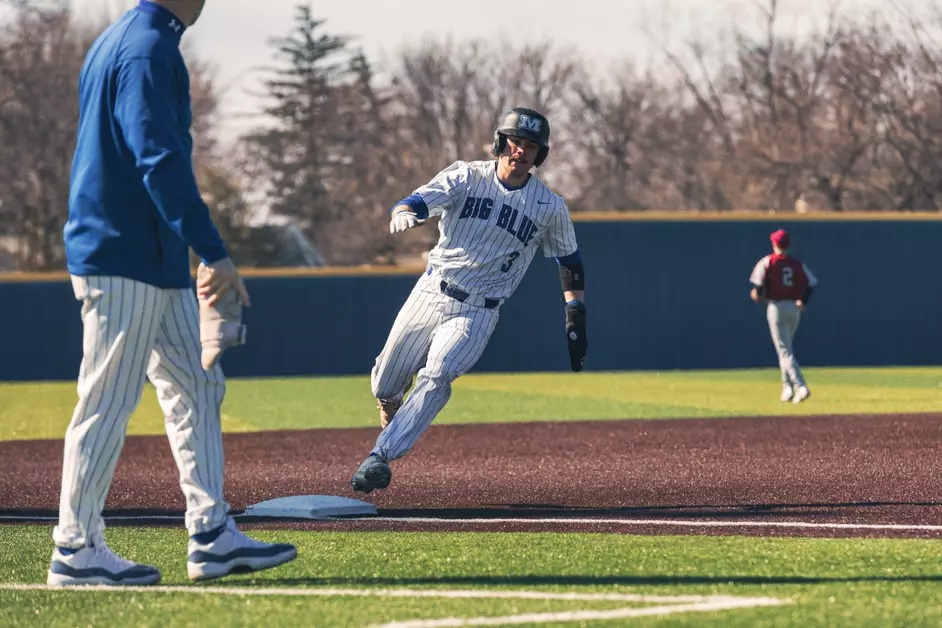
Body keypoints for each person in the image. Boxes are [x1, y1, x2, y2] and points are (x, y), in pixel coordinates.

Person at [47, 0, 296, 586]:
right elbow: (157, 159)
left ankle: (211, 535)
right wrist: (212, 249)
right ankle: (75, 549)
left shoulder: (134, 39)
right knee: (106, 400)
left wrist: (188, 251)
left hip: (153, 260)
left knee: (196, 383)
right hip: (121, 255)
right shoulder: (146, 46)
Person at [350, 107, 588, 493]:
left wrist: (575, 311)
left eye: (530, 146)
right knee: (384, 382)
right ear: (500, 142)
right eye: (515, 141)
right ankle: (390, 400)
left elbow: (569, 260)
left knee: (439, 373)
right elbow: (417, 200)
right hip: (431, 291)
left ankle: (380, 457)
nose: (520, 151)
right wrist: (404, 211)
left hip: (480, 310)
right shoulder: (467, 175)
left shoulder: (549, 207)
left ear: (539, 155)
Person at [749, 229, 819, 404]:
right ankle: (786, 388)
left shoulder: (768, 262)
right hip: (793, 308)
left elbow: (758, 287)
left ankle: (800, 386)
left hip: (776, 306)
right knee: (786, 349)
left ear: (774, 244)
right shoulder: (796, 264)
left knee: (785, 350)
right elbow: (811, 283)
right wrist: (803, 300)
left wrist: (757, 294)